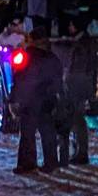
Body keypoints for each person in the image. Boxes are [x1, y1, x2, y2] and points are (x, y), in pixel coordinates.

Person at [12, 27, 64, 174]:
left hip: (29, 100)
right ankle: (51, 162)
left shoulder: (25, 56)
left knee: (27, 134)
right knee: (47, 132)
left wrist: (14, 98)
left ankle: (27, 163)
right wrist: (55, 96)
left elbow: (19, 78)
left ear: (32, 41)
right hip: (46, 99)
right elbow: (58, 80)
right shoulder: (52, 58)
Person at [56, 16, 96, 166]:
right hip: (79, 86)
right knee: (76, 119)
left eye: (72, 25)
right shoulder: (82, 42)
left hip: (78, 87)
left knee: (77, 119)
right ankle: (79, 151)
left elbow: (79, 67)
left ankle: (81, 152)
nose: (70, 28)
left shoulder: (82, 44)